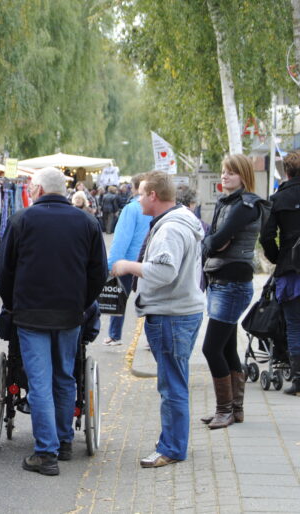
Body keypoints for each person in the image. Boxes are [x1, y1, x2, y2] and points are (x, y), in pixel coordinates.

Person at [0, 167, 107, 476]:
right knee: (64, 376)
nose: (30, 193)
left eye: (32, 188)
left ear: (40, 190)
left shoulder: (22, 220)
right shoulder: (87, 222)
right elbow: (99, 272)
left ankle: (46, 453)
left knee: (40, 381)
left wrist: (12, 304)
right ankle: (64, 441)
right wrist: (82, 303)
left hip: (31, 314)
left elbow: (5, 270)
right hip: (71, 314)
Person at [112, 171, 205, 468]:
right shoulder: (178, 221)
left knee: (172, 385)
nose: (137, 198)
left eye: (141, 193)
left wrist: (129, 266)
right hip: (179, 311)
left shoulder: (170, 230)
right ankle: (174, 440)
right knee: (175, 381)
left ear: (153, 195)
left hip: (171, 315)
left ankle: (172, 448)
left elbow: (165, 272)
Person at [199, 155, 267, 429]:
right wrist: (212, 243)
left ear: (243, 175)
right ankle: (234, 410)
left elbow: (214, 241)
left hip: (233, 283)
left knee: (211, 347)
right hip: (221, 281)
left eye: (231, 172)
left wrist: (213, 243)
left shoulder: (245, 205)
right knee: (226, 346)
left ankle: (225, 410)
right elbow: (213, 241)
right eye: (223, 171)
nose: (224, 176)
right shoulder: (227, 203)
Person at [260, 151, 300, 396]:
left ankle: (298, 380)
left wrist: (277, 258)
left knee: (294, 325)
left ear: (286, 172)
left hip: (290, 269)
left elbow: (265, 236)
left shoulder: (278, 199)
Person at [104, 173, 151, 346]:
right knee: (149, 301)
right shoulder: (157, 207)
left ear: (136, 187)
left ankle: (115, 335)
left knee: (118, 299)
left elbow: (122, 237)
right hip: (149, 262)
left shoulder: (131, 209)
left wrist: (112, 264)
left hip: (129, 262)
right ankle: (149, 338)